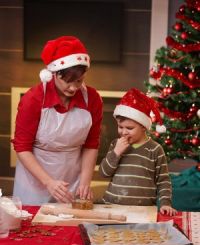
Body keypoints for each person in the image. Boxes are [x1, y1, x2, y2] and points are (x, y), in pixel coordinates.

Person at [12, 36, 103, 205]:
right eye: (67, 81)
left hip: (72, 177)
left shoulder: (92, 99)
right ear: (53, 74)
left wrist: (85, 181)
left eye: (79, 81)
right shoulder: (33, 99)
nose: (73, 88)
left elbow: (91, 144)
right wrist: (48, 182)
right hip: (35, 179)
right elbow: (22, 147)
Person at [99, 88, 177, 216]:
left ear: (143, 126)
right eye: (120, 127)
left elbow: (163, 181)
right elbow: (104, 173)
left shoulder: (155, 149)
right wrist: (116, 153)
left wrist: (165, 203)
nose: (123, 132)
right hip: (112, 206)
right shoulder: (115, 145)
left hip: (143, 210)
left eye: (129, 128)